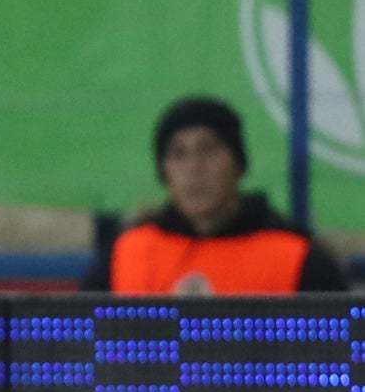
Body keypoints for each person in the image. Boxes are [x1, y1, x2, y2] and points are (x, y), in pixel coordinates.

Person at [83, 96, 346, 293]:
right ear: (164, 173)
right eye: (178, 154)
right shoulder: (126, 253)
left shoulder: (297, 256)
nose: (194, 168)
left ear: (238, 164)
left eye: (208, 149)